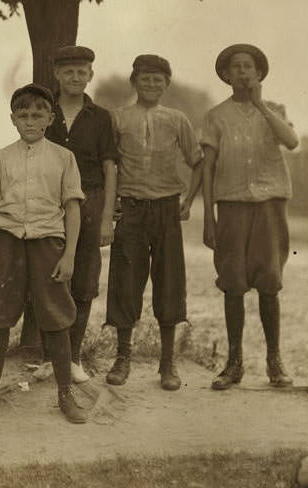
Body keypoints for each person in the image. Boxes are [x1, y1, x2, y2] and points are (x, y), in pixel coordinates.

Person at [0, 84, 87, 424]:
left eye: (38, 115)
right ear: (12, 119)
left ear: (50, 118)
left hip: (48, 242)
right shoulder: (0, 158)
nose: (30, 121)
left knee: (56, 315)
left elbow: (73, 208)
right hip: (7, 242)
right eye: (23, 115)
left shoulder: (64, 158)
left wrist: (69, 256)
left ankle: (66, 394)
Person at [202, 44, 298, 390]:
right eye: (236, 67)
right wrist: (208, 218)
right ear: (226, 76)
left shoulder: (274, 110)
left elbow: (292, 141)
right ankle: (234, 363)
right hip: (230, 205)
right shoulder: (215, 116)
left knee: (269, 282)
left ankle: (275, 361)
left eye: (249, 67)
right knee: (233, 284)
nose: (242, 72)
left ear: (259, 74)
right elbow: (208, 168)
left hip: (270, 205)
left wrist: (260, 104)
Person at [105, 55, 203, 391]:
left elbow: (197, 161)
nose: (151, 85)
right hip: (130, 208)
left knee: (170, 280)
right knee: (125, 280)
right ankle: (123, 357)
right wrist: (112, 203)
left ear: (167, 84)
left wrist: (188, 201)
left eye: (158, 80)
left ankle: (167, 363)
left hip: (166, 209)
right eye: (145, 79)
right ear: (134, 82)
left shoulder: (177, 119)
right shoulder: (117, 118)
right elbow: (108, 166)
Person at [42, 46, 118, 383]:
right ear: (56, 75)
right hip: (49, 201)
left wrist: (106, 219)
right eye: (68, 71)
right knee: (49, 275)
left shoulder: (101, 117)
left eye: (82, 71)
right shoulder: (44, 111)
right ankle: (49, 357)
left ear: (90, 75)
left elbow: (110, 168)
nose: (75, 77)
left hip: (91, 200)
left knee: (84, 279)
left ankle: (72, 357)